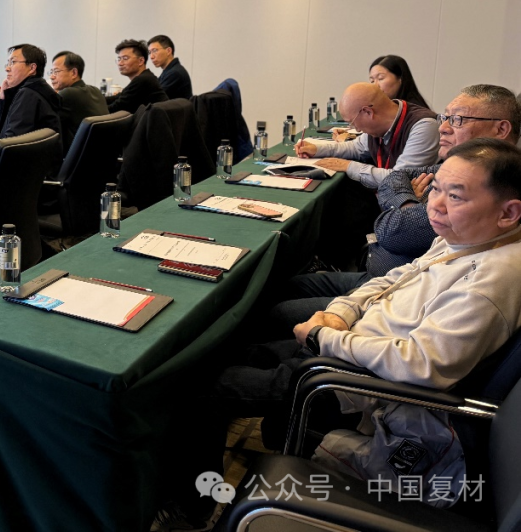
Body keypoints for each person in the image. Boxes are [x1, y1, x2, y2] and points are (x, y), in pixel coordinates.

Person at [166, 138, 521, 528]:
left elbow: (421, 366)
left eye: (455, 196)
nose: (435, 205)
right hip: (344, 350)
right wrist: (338, 313)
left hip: (357, 385)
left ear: (508, 212)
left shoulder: (491, 281)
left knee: (200, 391)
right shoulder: (467, 236)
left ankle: (193, 510)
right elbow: (394, 278)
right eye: (434, 188)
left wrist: (323, 337)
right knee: (225, 354)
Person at [274, 84, 521, 327]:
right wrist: (408, 203)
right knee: (288, 286)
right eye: (445, 117)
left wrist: (402, 205)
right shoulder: (456, 164)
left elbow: (394, 232)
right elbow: (396, 177)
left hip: (397, 299)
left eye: (458, 120)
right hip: (384, 280)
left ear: (501, 129)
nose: (443, 128)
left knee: (279, 313)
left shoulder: (491, 187)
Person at [294, 81, 438, 187]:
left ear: (368, 112)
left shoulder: (424, 126)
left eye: (352, 122)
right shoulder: (381, 123)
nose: (356, 129)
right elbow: (356, 148)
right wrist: (317, 149)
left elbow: (400, 179)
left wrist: (349, 166)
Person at [49, 50, 107, 148]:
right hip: (99, 151)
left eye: (56, 71)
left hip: (75, 154)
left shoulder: (68, 94)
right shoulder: (95, 90)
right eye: (51, 72)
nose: (51, 76)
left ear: (74, 73)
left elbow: (46, 123)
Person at [107, 39, 167, 114]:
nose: (120, 63)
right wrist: (96, 100)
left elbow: (116, 108)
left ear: (141, 61)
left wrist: (94, 109)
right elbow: (117, 97)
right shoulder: (146, 76)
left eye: (125, 58)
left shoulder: (143, 80)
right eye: (119, 59)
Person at [147, 35, 193, 100]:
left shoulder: (175, 73)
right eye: (149, 52)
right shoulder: (170, 71)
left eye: (155, 51)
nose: (151, 57)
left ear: (168, 51)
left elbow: (156, 98)